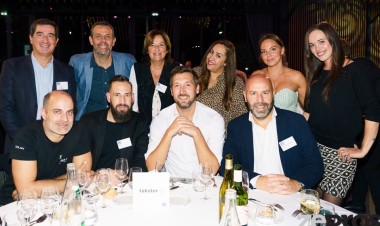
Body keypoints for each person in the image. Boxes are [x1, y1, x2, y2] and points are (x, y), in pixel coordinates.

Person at [304, 22, 380, 205]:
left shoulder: (355, 70)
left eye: (321, 41)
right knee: (311, 208)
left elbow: (373, 111)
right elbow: (309, 113)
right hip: (313, 149)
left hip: (340, 155)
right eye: (312, 45)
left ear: (333, 40)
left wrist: (363, 150)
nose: (317, 49)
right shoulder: (316, 72)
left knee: (328, 213)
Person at [221, 74, 323, 194]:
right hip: (253, 192)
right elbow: (227, 166)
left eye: (265, 93)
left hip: (290, 195)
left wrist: (296, 184)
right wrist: (256, 180)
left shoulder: (296, 122)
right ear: (245, 96)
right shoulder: (236, 127)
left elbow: (315, 164)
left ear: (274, 93)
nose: (260, 100)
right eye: (253, 93)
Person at [0, 18, 77, 155]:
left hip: (56, 142)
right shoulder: (12, 67)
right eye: (40, 34)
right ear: (31, 38)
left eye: (50, 36)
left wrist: (59, 136)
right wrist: (23, 140)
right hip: (20, 140)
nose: (45, 40)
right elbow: (5, 109)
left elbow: (71, 107)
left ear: (56, 41)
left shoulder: (67, 71)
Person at [0, 91, 92, 204]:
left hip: (58, 200)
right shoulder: (27, 136)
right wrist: (71, 181)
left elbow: (83, 174)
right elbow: (25, 190)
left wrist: (35, 187)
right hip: (17, 204)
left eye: (69, 112)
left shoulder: (79, 131)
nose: (65, 119)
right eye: (57, 112)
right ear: (44, 113)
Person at [145, 66, 224, 178]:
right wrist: (169, 133)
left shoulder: (214, 119)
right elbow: (152, 168)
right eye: (177, 86)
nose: (182, 91)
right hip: (172, 187)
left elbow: (212, 171)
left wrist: (197, 134)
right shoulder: (161, 119)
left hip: (203, 186)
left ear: (197, 89)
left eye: (187, 85)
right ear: (171, 91)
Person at [340, 39, 380, 214]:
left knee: (372, 169)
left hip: (372, 124)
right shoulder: (351, 68)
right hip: (361, 125)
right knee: (363, 166)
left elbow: (371, 102)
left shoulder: (359, 68)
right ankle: (357, 203)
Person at [79, 75, 149, 172]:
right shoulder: (89, 122)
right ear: (108, 97)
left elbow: (140, 160)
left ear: (132, 97)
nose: (122, 101)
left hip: (125, 183)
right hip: (96, 182)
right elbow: (81, 164)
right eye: (117, 95)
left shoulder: (140, 122)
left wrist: (122, 176)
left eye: (127, 95)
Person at [69, 21, 136, 120]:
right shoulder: (77, 62)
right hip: (87, 124)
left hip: (119, 122)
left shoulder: (128, 61)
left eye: (107, 36)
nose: (103, 41)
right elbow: (69, 94)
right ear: (91, 40)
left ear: (113, 41)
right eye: (98, 36)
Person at [129, 30, 180, 125]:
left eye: (161, 45)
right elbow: (134, 103)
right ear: (147, 49)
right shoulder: (137, 69)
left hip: (171, 125)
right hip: (144, 127)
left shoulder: (177, 69)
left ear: (167, 49)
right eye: (152, 45)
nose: (157, 49)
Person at [196, 39, 247, 128]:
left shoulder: (235, 83)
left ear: (226, 62)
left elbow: (241, 116)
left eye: (218, 56)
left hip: (220, 137)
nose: (211, 57)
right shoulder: (195, 74)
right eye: (211, 52)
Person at [251, 34, 306, 113]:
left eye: (273, 49)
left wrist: (300, 124)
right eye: (264, 52)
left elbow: (309, 110)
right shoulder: (257, 76)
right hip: (263, 125)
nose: (268, 55)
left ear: (282, 50)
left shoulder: (296, 77)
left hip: (289, 124)